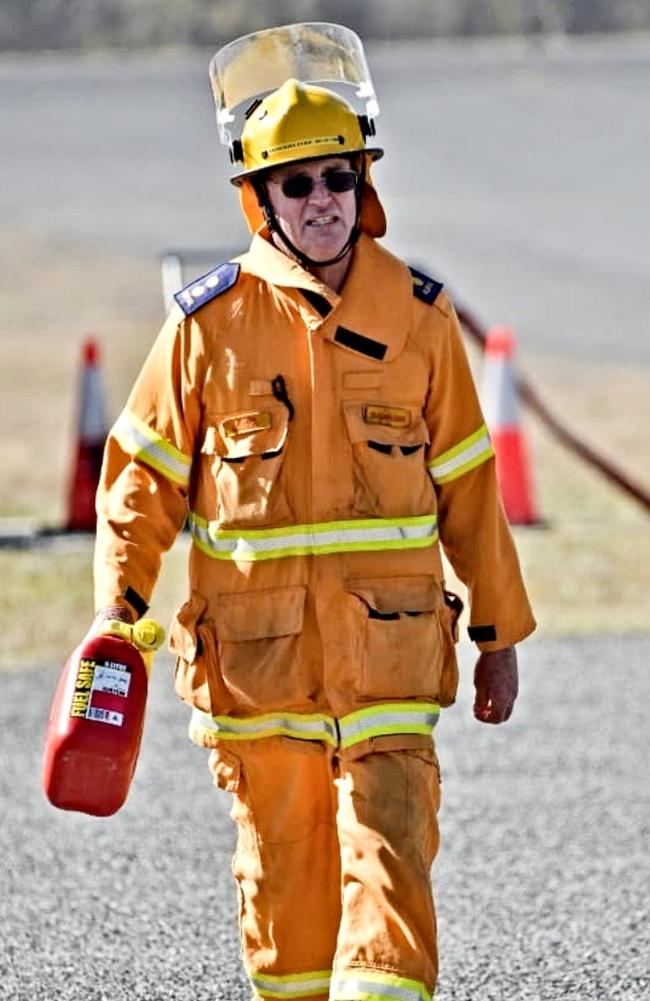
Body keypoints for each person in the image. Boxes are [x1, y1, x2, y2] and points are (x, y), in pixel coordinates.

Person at [91, 23, 535, 1001]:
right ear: (260, 198)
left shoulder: (418, 316)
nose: (321, 201)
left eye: (336, 177)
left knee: (390, 854)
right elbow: (142, 477)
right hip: (258, 670)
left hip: (389, 659)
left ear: (362, 183)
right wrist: (116, 610)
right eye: (297, 184)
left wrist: (499, 633)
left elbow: (468, 486)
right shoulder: (206, 326)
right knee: (286, 888)